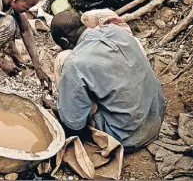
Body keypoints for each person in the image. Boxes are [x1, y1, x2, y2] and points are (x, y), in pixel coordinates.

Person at [43, 11, 165, 152]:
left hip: (127, 137)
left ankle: (68, 105)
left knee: (63, 59)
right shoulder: (116, 30)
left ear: (64, 41)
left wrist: (58, 109)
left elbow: (74, 125)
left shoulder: (76, 63)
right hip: (155, 120)